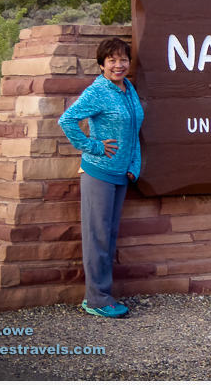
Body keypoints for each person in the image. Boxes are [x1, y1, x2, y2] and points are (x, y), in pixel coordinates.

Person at [58, 37, 144, 318]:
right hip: (98, 172)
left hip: (120, 174)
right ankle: (95, 299)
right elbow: (67, 120)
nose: (118, 65)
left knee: (108, 236)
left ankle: (103, 294)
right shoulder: (98, 91)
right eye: (112, 61)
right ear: (102, 64)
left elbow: (133, 128)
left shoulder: (128, 89)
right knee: (97, 237)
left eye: (123, 60)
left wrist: (135, 162)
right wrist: (93, 146)